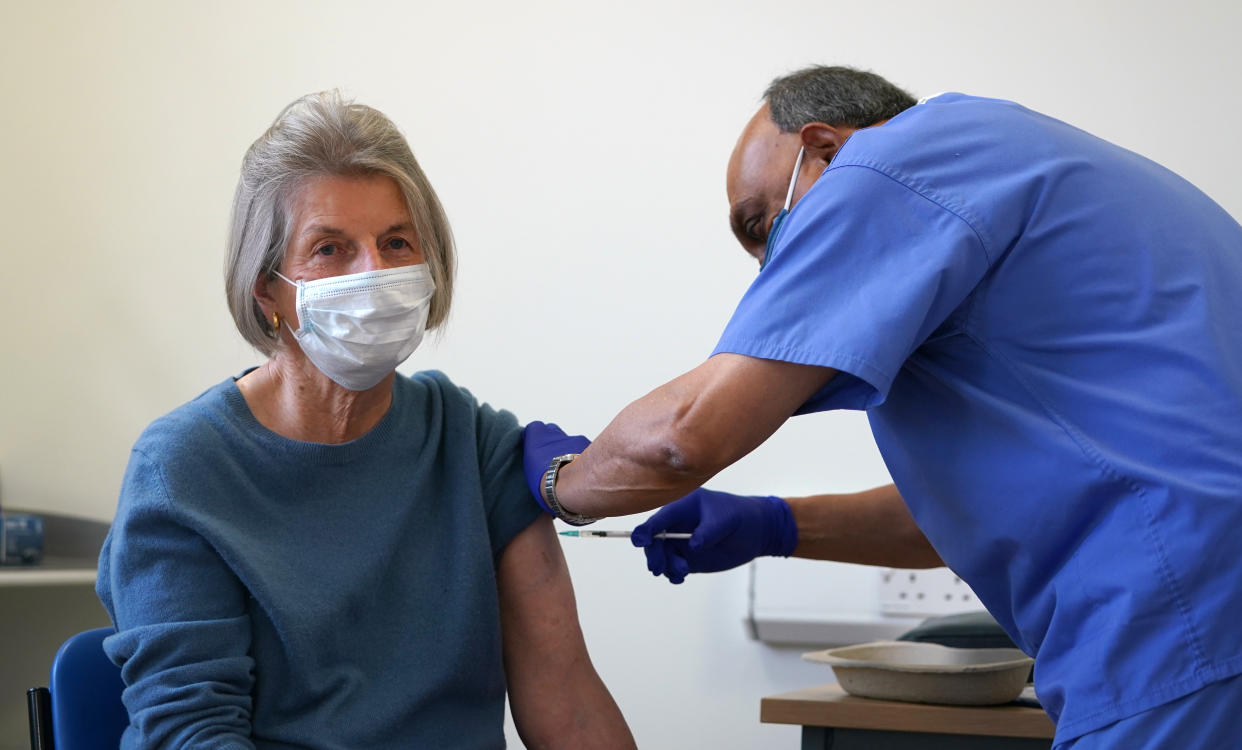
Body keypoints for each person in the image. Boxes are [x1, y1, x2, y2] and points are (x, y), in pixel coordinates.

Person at [521, 66, 1242, 748]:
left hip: (1181, 614)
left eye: (763, 225)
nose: (774, 267)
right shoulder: (1039, 172)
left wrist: (562, 479)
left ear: (823, 146)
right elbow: (974, 516)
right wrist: (775, 523)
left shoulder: (884, 165)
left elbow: (681, 438)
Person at [96, 91, 634, 749]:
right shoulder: (185, 469)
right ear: (268, 289)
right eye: (330, 248)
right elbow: (193, 734)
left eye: (396, 241)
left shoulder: (469, 443)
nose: (375, 273)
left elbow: (570, 708)